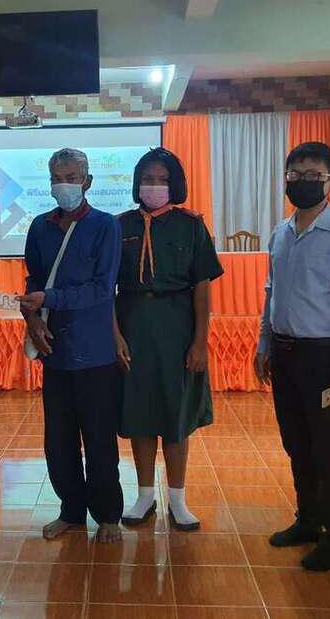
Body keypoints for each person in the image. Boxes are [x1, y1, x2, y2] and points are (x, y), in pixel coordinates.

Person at [253, 141, 330, 572]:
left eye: (313, 176)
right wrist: (264, 344)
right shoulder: (280, 233)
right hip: (284, 353)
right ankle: (307, 520)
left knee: (329, 449)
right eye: (295, 175)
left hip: (322, 357)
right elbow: (272, 293)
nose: (302, 182)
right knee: (296, 443)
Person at [113, 148, 223, 531]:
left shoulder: (191, 226)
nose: (154, 186)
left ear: (174, 184)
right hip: (133, 327)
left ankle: (178, 498)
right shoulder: (119, 226)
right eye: (148, 179)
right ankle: (145, 495)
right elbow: (106, 287)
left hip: (178, 328)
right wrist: (115, 336)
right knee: (139, 414)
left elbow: (202, 287)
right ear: (137, 183)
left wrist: (200, 342)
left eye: (162, 179)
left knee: (176, 416)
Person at [18, 148, 124, 544]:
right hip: (55, 352)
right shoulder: (39, 227)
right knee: (59, 442)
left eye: (72, 177)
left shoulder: (105, 226)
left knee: (99, 440)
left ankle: (108, 516)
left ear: (88, 182)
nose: (64, 184)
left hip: (95, 353)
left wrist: (49, 299)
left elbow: (102, 288)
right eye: (57, 178)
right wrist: (32, 321)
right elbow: (33, 280)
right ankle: (71, 511)